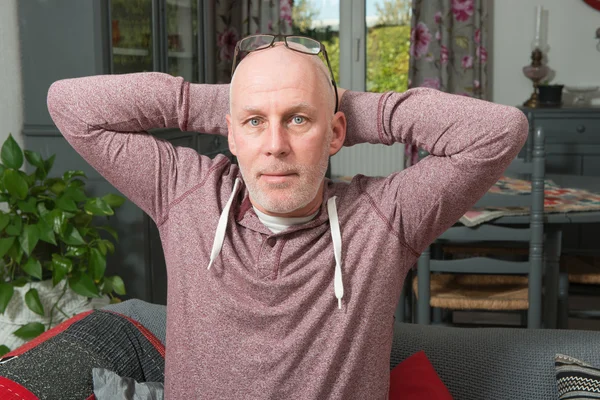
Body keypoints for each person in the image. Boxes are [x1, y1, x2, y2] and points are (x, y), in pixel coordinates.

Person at [46, 34, 528, 399]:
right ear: (230, 135)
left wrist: (337, 102)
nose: (275, 146)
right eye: (255, 123)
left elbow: (500, 131)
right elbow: (69, 105)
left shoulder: (384, 218)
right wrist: (239, 98)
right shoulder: (187, 194)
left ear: (337, 133)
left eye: (299, 120)